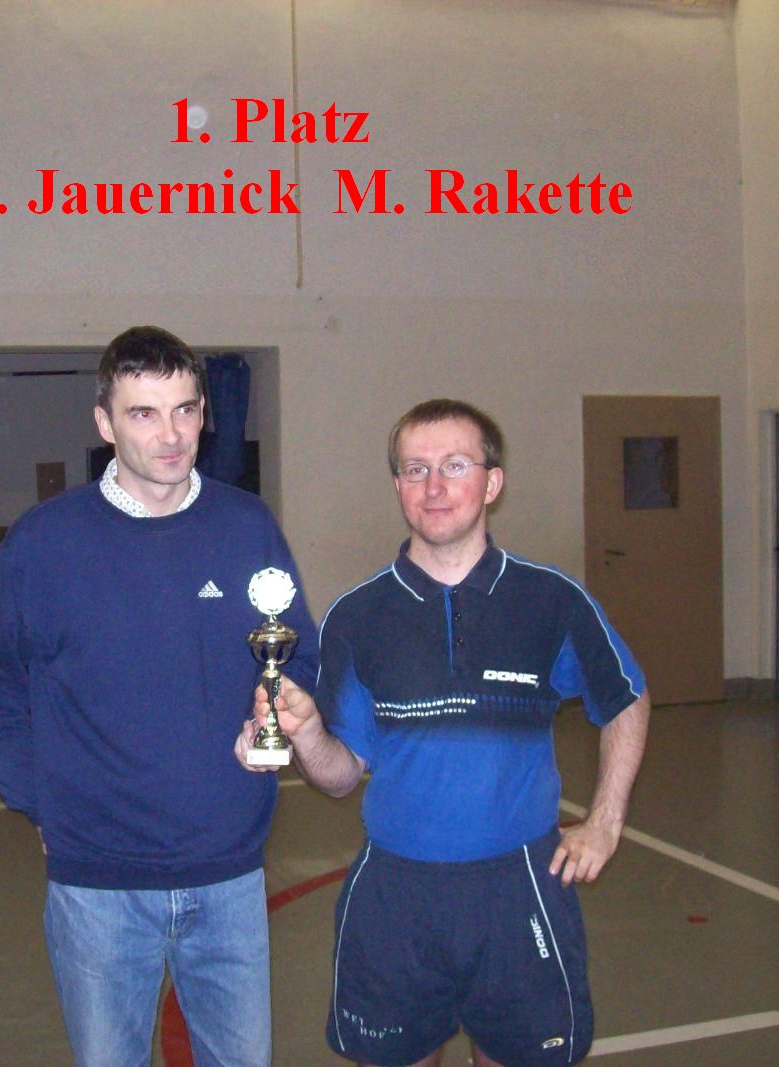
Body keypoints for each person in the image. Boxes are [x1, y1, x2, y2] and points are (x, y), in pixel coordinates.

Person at [236, 398, 649, 1067]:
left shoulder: (552, 601)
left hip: (520, 889)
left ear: (492, 482)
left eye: (455, 465)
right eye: (415, 469)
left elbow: (626, 698)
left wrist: (605, 821)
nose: (434, 486)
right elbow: (339, 777)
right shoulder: (357, 616)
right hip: (395, 897)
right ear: (398, 486)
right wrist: (307, 734)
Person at [0, 325, 318, 1067]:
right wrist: (38, 798)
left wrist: (273, 714)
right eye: (143, 413)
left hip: (229, 872)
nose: (171, 435)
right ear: (105, 422)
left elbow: (295, 655)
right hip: (98, 885)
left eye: (185, 409)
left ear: (206, 411)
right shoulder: (46, 541)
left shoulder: (247, 525)